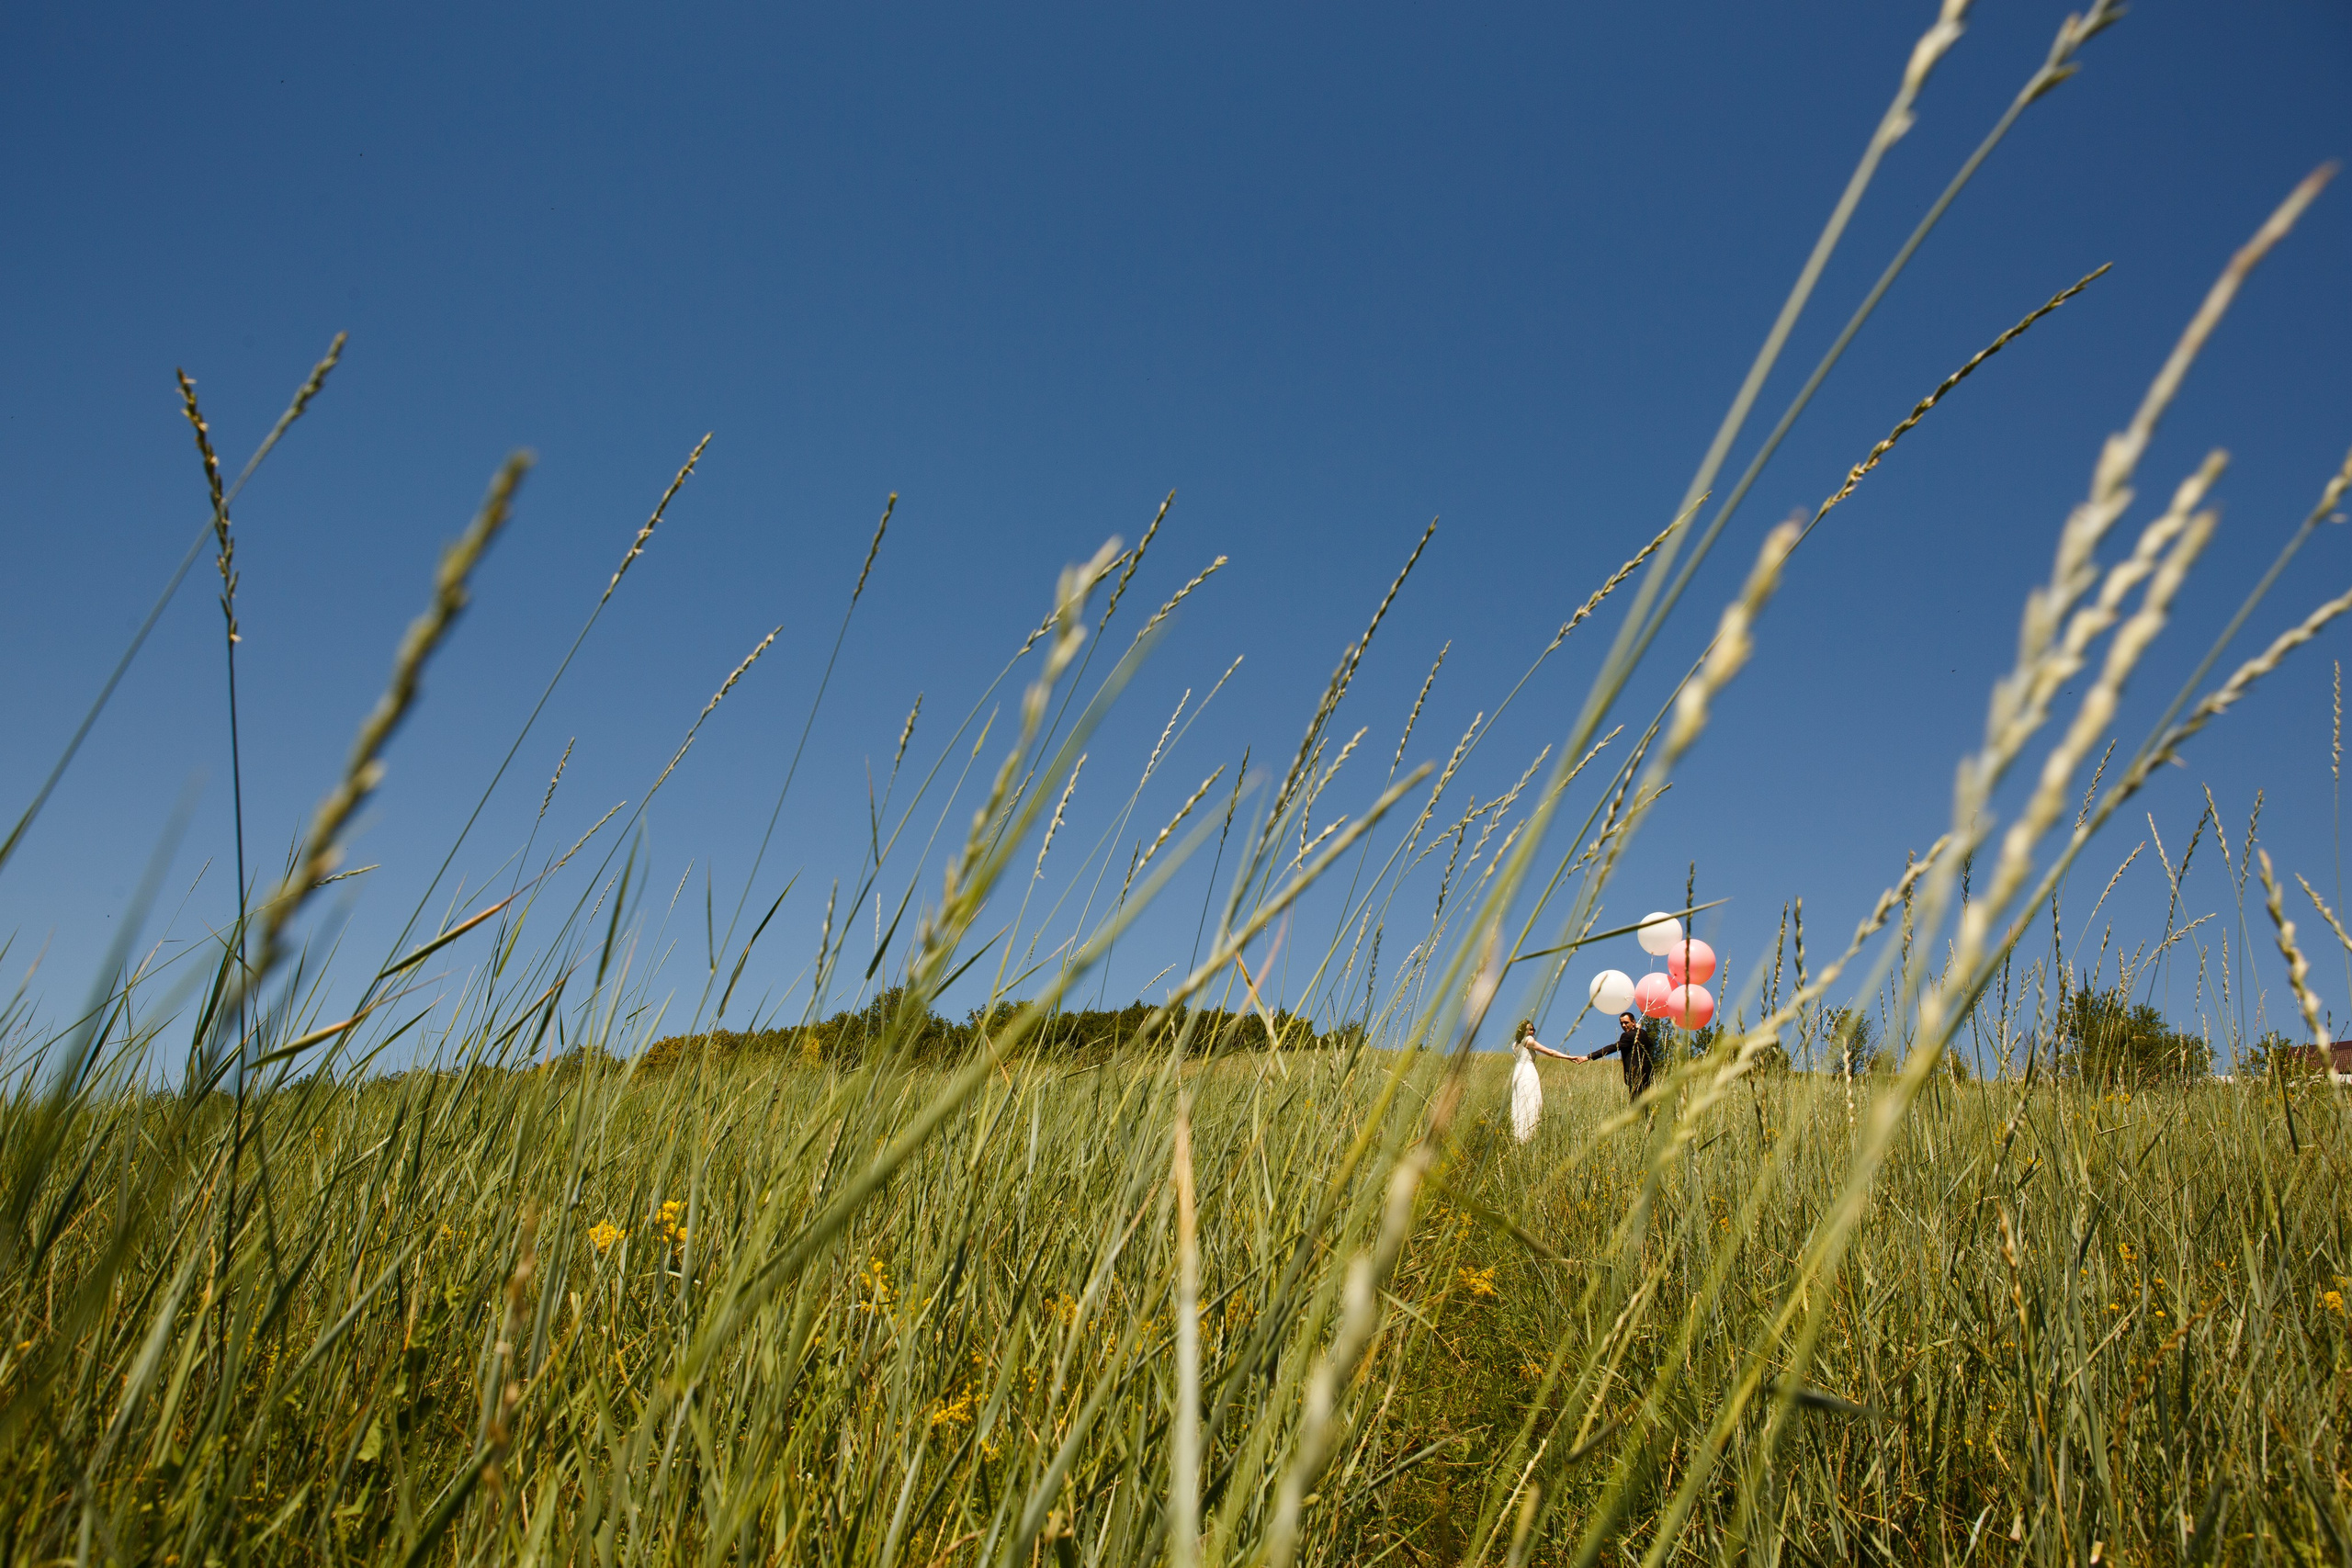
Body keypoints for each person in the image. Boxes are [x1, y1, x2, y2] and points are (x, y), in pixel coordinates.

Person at [1509, 1019, 1576, 1143]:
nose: (1532, 1031)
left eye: (1533, 1029)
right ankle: (1528, 1136)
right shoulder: (1528, 1040)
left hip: (1518, 1074)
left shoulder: (1515, 1044)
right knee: (1532, 1102)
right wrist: (1569, 1057)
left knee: (1521, 1103)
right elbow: (1549, 1052)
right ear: (1522, 1030)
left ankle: (1519, 1136)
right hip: (1528, 1073)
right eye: (1529, 1029)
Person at [1577, 1010, 1661, 1103]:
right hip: (1647, 1075)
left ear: (1633, 1022)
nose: (1624, 1025)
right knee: (1645, 1104)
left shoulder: (1627, 1035)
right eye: (1621, 1023)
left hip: (1635, 1075)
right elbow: (1650, 1043)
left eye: (1626, 1022)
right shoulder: (1643, 1033)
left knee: (1635, 1104)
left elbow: (1612, 1048)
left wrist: (1588, 1057)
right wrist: (1639, 1030)